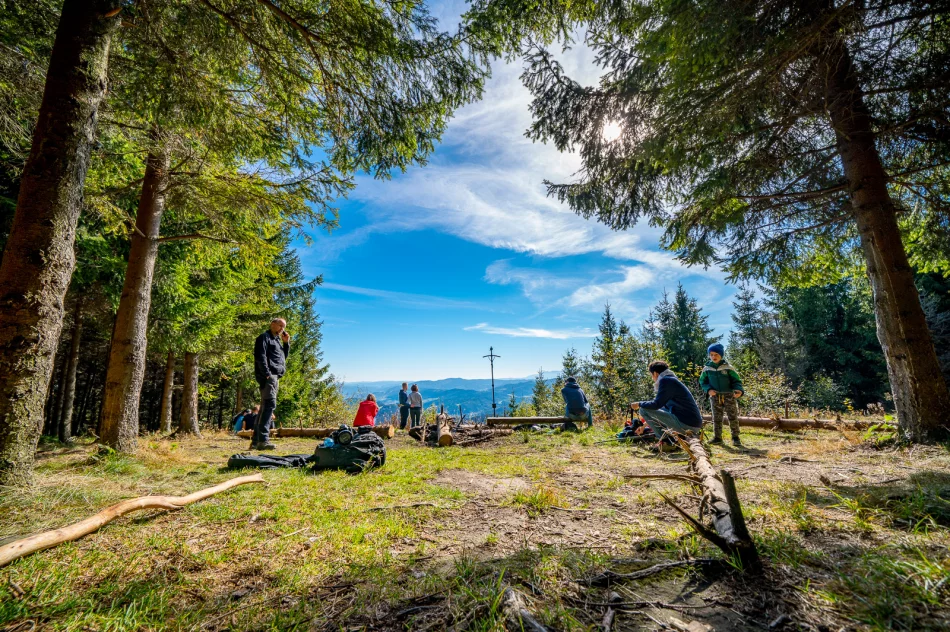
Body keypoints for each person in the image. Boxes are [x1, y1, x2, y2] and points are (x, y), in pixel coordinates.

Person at [630, 361, 703, 449]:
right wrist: (644, 426)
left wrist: (639, 404)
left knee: (643, 409)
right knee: (648, 408)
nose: (652, 378)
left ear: (655, 373)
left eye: (651, 375)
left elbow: (656, 404)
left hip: (687, 425)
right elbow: (662, 408)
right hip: (692, 424)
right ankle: (670, 440)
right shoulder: (671, 380)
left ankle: (666, 442)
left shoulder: (666, 380)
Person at [251, 318, 290, 450]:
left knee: (264, 408)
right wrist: (266, 374)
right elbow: (260, 356)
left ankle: (256, 441)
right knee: (269, 406)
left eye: (283, 327)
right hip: (269, 377)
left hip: (275, 377)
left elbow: (282, 358)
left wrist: (286, 344)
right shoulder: (264, 337)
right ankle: (263, 440)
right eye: (280, 326)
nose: (281, 330)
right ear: (272, 324)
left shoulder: (277, 340)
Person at [699, 343, 745, 446]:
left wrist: (739, 390)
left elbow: (736, 381)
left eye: (716, 354)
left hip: (729, 395)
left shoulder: (728, 368)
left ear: (721, 355)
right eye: (711, 355)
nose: (714, 357)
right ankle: (717, 437)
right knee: (716, 417)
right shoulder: (707, 369)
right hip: (715, 396)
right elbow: (703, 382)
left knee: (732, 416)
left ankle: (735, 437)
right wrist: (709, 390)